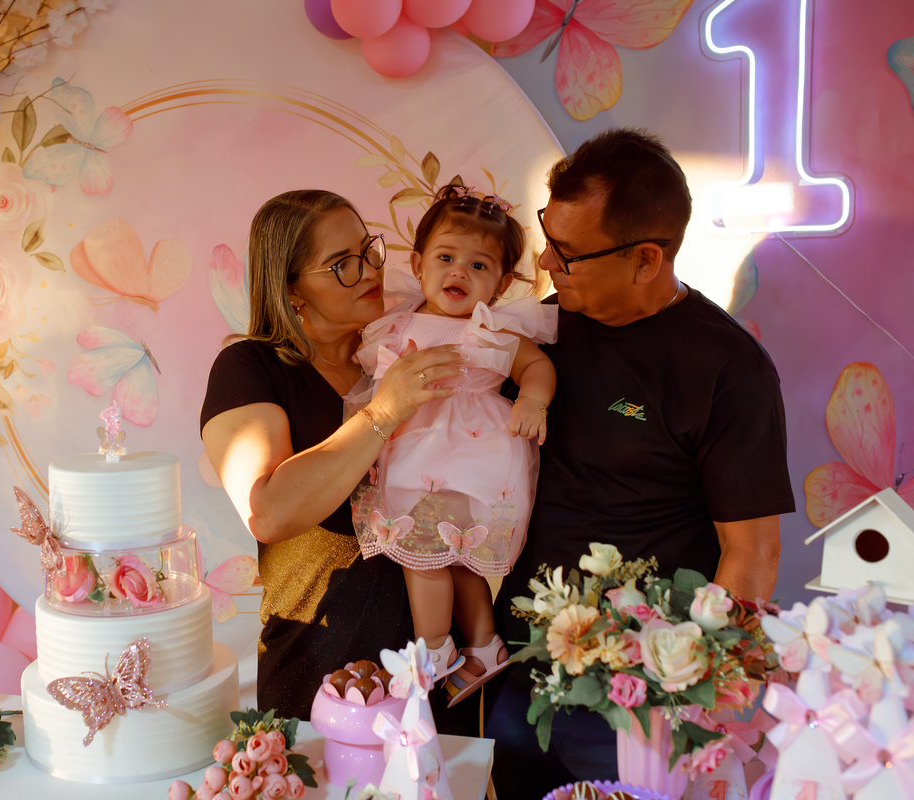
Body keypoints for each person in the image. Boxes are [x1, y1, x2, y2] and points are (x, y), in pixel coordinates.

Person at [487, 129, 795, 799]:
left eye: (569, 254)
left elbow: (752, 554)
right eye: (548, 236)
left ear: (646, 259)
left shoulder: (726, 368)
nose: (546, 261)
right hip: (518, 668)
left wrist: (692, 698)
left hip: (636, 695)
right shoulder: (539, 334)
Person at [200, 189, 467, 719]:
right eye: (342, 264)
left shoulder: (398, 350)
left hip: (435, 661)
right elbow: (269, 512)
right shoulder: (250, 367)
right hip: (319, 662)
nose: (370, 271)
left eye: (368, 250)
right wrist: (381, 413)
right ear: (291, 288)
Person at [350, 185, 557, 708]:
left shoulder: (491, 328)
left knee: (423, 553)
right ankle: (484, 646)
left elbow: (535, 364)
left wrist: (533, 398)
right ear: (418, 264)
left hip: (471, 454)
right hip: (412, 451)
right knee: (454, 554)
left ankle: (434, 648)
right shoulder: (398, 321)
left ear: (502, 282)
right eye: (445, 258)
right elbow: (371, 383)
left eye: (479, 265)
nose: (459, 272)